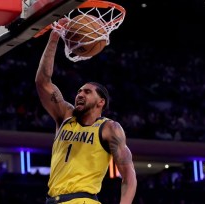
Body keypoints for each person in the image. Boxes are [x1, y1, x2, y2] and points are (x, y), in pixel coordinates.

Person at [35, 30, 137, 204]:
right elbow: (43, 82)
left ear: (101, 102)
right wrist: (53, 38)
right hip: (52, 200)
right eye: (79, 91)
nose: (80, 94)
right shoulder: (65, 115)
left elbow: (129, 176)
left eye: (87, 92)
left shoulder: (109, 128)